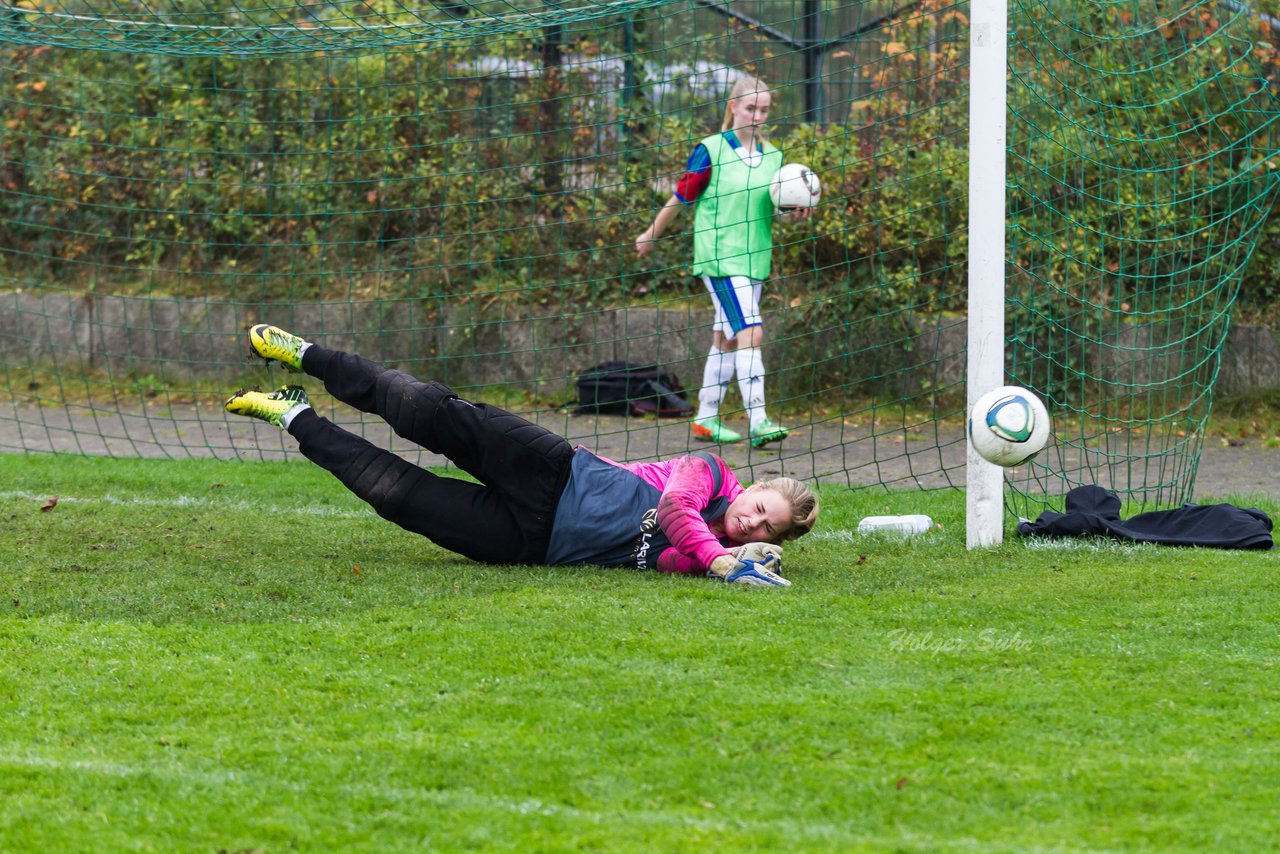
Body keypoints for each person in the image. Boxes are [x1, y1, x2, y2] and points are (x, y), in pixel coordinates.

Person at [225, 324, 820, 586]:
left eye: (767, 529)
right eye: (762, 506)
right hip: (555, 470)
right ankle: (305, 354)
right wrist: (719, 561)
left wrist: (719, 566)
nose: (754, 521)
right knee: (422, 409)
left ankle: (292, 413)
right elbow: (674, 514)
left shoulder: (716, 552)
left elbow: (668, 562)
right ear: (755, 484)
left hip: (531, 545)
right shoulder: (711, 472)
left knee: (395, 495)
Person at [635, 74, 811, 448]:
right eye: (751, 108)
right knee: (750, 329)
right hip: (719, 257)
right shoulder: (711, 149)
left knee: (728, 337)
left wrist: (793, 213)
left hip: (755, 260)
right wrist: (651, 233)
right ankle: (759, 420)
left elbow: (769, 209)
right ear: (734, 108)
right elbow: (681, 196)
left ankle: (705, 418)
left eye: (764, 109)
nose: (757, 116)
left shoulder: (776, 158)